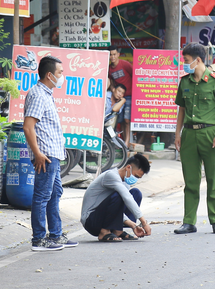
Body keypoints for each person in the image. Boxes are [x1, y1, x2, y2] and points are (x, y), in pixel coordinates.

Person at [173, 43, 215, 234]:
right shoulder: (185, 81)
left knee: (214, 179)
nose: (184, 64)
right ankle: (189, 222)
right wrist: (177, 134)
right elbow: (181, 109)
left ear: (198, 60)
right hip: (189, 134)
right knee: (190, 181)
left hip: (211, 134)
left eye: (186, 60)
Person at [23, 55, 78, 251]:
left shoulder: (46, 94)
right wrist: (37, 154)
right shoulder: (38, 94)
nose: (63, 76)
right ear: (49, 75)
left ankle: (55, 234)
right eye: (60, 73)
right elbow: (28, 127)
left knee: (54, 194)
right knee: (42, 196)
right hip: (45, 155)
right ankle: (38, 239)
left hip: (52, 154)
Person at [80, 154, 152, 242]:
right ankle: (104, 232)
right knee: (121, 195)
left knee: (136, 193)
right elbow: (126, 198)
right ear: (128, 167)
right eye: (136, 176)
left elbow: (121, 205)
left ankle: (117, 230)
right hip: (91, 220)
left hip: (103, 217)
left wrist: (133, 225)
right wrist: (144, 223)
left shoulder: (125, 181)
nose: (135, 179)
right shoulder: (111, 175)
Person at [108, 46, 133, 147]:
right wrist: (114, 91)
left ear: (118, 54)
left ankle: (127, 142)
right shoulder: (109, 69)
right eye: (110, 55)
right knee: (121, 120)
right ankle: (122, 142)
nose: (112, 56)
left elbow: (134, 75)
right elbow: (111, 82)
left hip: (129, 96)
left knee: (127, 120)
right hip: (118, 98)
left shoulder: (125, 64)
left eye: (114, 54)